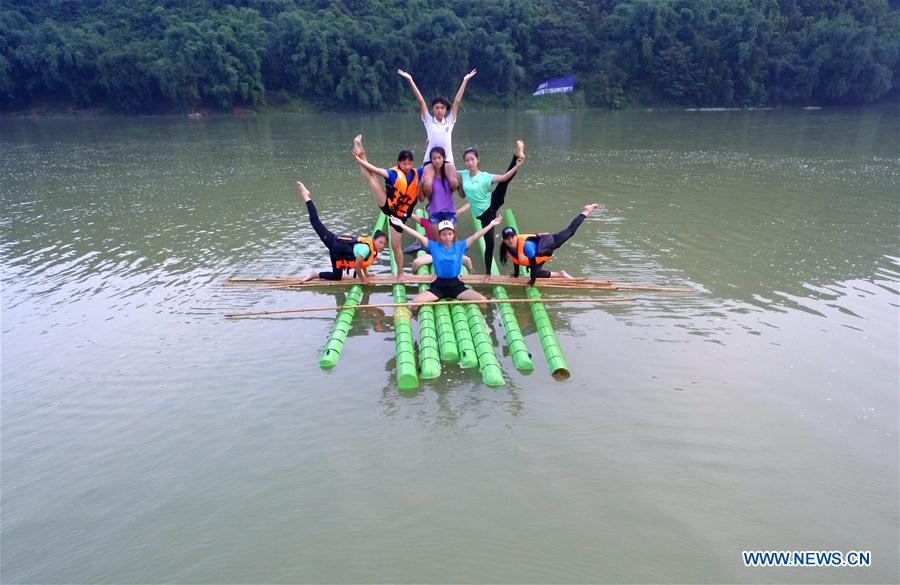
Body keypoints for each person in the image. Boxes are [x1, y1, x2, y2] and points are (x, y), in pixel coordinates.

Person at [388, 214, 503, 308]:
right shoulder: (434, 246)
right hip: (439, 285)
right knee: (415, 303)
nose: (447, 237)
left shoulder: (460, 246)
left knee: (482, 301)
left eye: (449, 234)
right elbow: (417, 234)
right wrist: (401, 225)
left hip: (456, 285)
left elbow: (476, 236)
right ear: (440, 235)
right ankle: (415, 319)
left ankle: (484, 328)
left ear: (453, 234)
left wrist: (491, 224)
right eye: (444, 234)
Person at [397, 68, 474, 199]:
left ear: (446, 110)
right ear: (432, 109)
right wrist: (410, 79)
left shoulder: (450, 121)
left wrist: (465, 80)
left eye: (442, 108)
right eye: (437, 107)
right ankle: (429, 201)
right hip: (430, 160)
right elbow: (421, 101)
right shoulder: (428, 121)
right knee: (427, 184)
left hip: (447, 160)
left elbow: (457, 102)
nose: (439, 110)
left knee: (454, 182)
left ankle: (444, 199)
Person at [351, 135, 422, 275]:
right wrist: (358, 159)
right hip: (388, 206)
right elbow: (372, 169)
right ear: (398, 163)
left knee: (396, 247)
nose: (407, 167)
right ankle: (359, 146)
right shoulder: (392, 173)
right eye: (404, 164)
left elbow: (431, 162)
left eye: (409, 164)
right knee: (371, 178)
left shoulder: (418, 172)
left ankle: (400, 273)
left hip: (400, 216)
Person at [294, 181, 388, 284]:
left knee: (336, 276)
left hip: (337, 252)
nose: (382, 245)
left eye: (384, 244)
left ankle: (314, 274)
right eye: (380, 242)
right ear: (374, 240)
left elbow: (362, 263)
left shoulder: (372, 250)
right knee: (315, 221)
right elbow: (357, 266)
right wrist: (363, 280)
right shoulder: (366, 248)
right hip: (333, 241)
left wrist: (367, 274)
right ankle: (306, 196)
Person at [461, 140, 526, 273]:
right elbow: (447, 171)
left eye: (472, 159)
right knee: (488, 244)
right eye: (467, 160)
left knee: (504, 183)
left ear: (477, 160)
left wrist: (517, 166)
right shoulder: (462, 174)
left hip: (491, 207)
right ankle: (489, 272)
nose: (469, 163)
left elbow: (503, 177)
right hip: (482, 214)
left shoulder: (485, 176)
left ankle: (517, 154)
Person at [499, 204, 601, 287]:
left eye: (512, 237)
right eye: (507, 238)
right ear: (504, 240)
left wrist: (531, 282)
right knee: (537, 273)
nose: (510, 240)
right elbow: (516, 261)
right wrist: (516, 275)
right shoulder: (507, 248)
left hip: (549, 243)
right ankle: (561, 274)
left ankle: (587, 210)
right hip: (539, 254)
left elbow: (533, 265)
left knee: (570, 231)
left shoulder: (526, 246)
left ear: (516, 237)